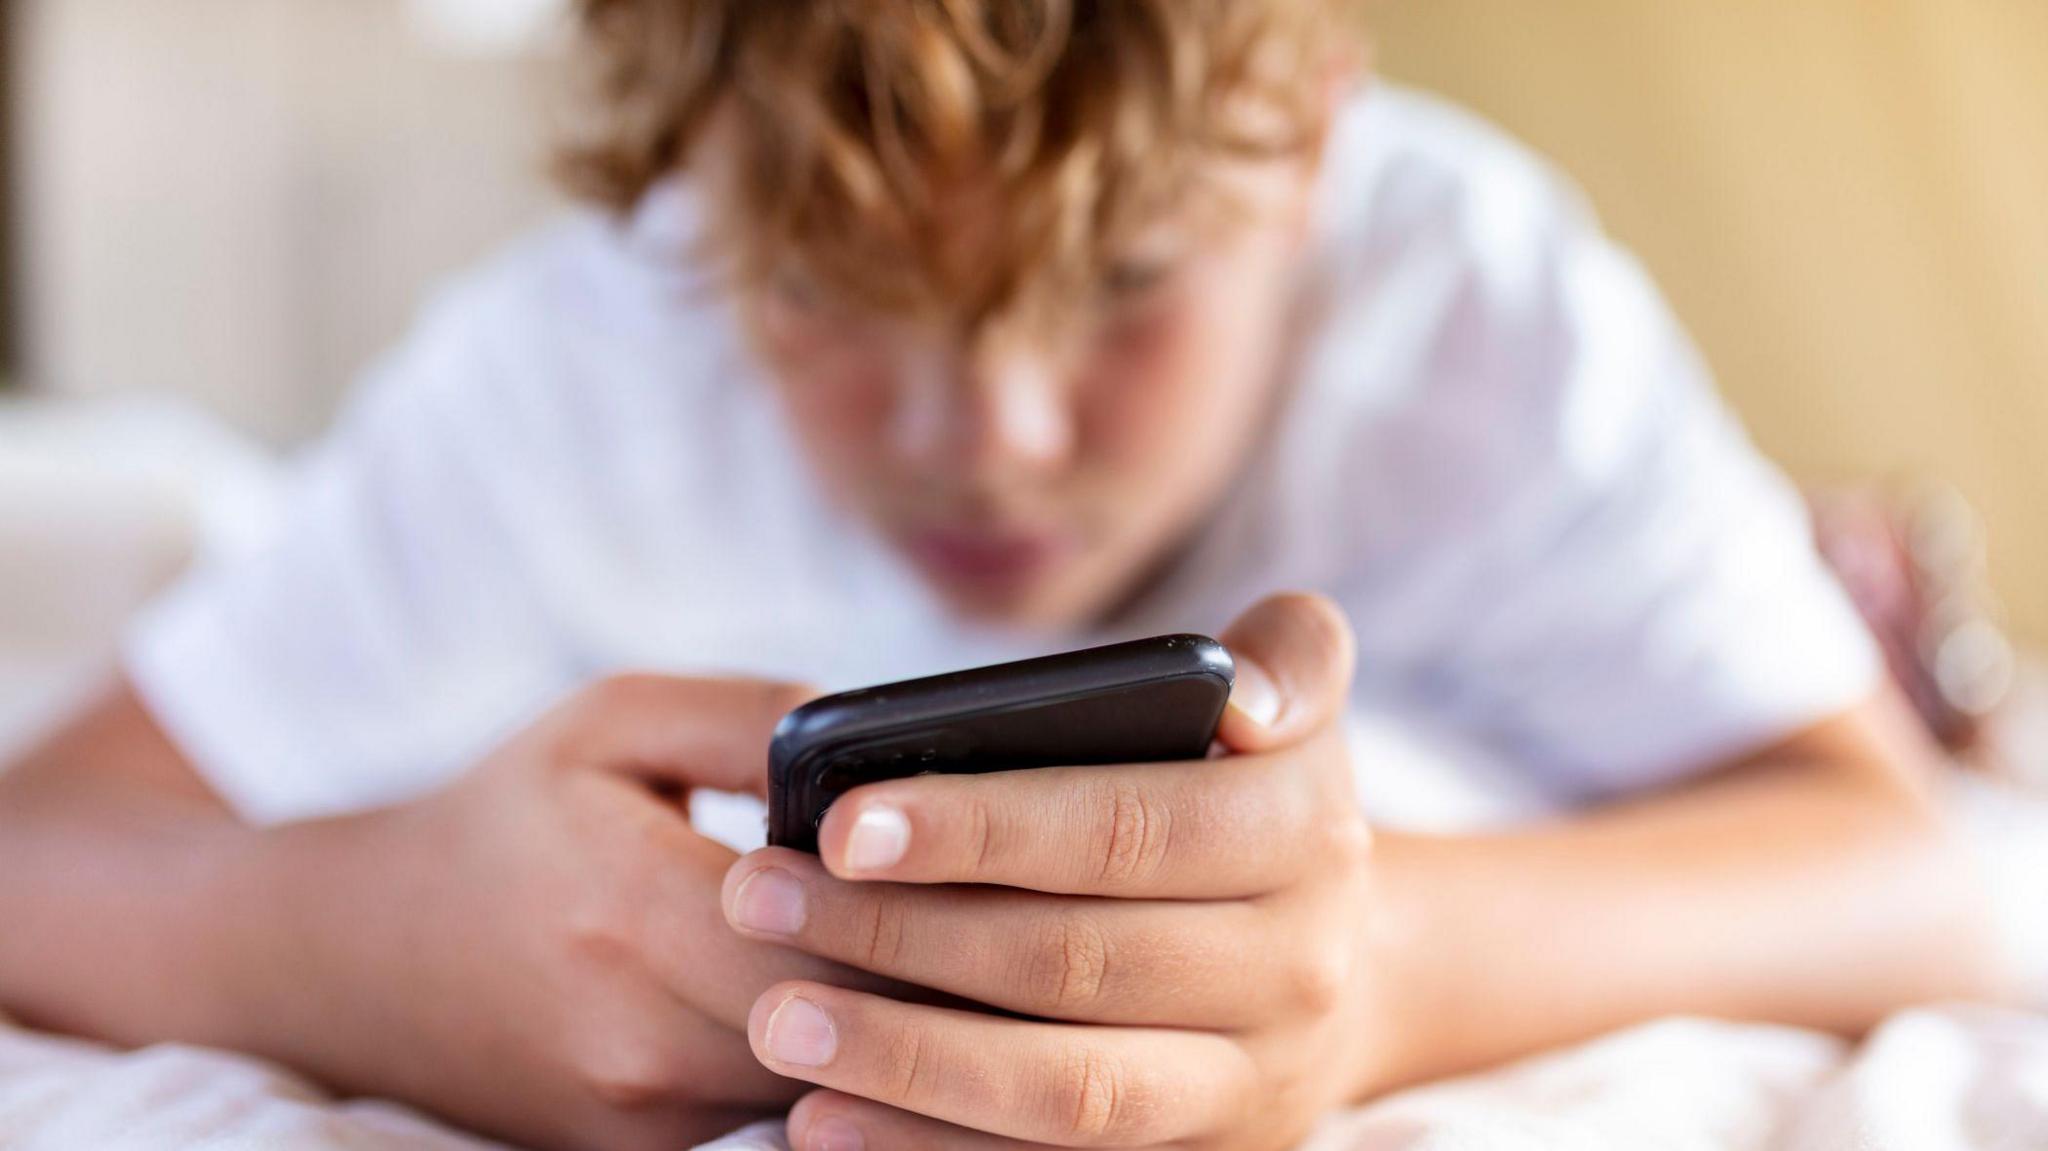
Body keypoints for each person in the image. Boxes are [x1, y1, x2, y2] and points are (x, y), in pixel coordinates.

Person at [0, 2, 2010, 1149]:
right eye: (836, 292)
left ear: (1312, 122)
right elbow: (42, 847)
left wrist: (1387, 974)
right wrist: (354, 943)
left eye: (1126, 283)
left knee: (1888, 665)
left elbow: (1936, 867)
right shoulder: (584, 356)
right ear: (701, 177)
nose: (990, 435)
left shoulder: (1464, 308)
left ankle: (1844, 581)